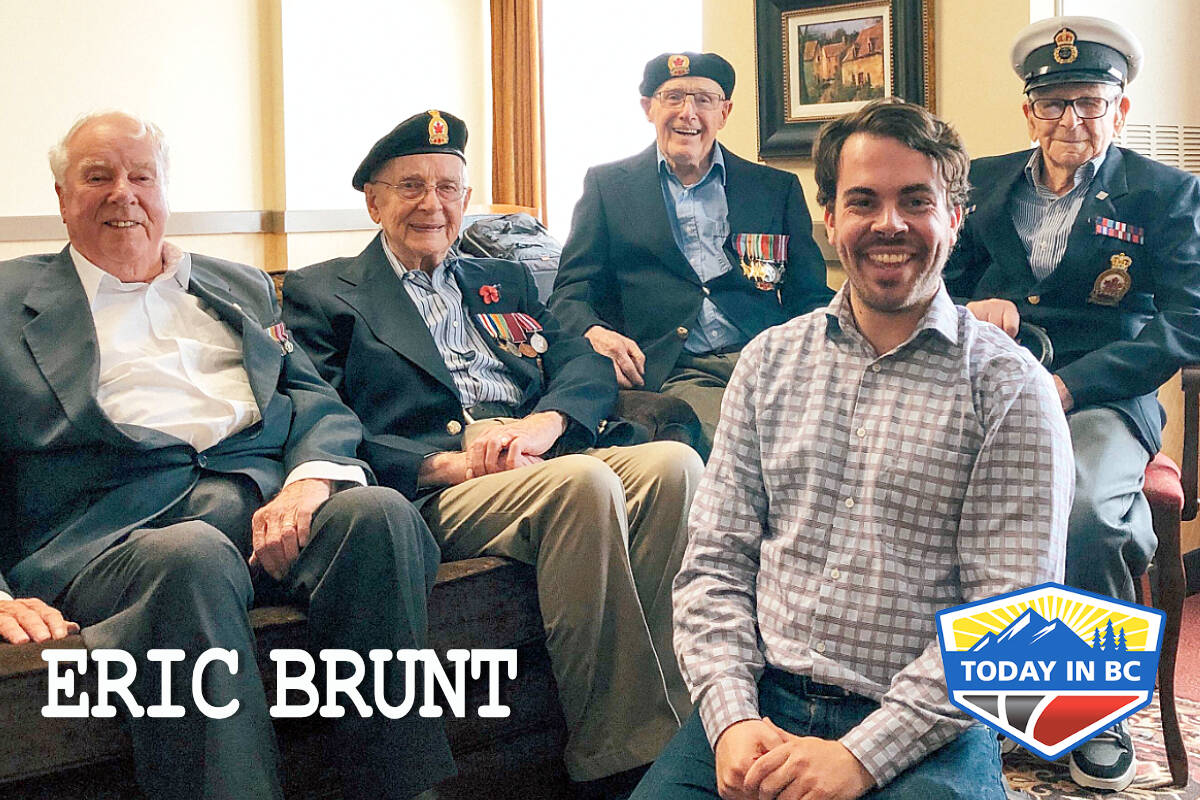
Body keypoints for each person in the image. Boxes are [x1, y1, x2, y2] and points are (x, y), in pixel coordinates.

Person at [0, 111, 454, 800]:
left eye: (142, 176)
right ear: (63, 197)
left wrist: (308, 483)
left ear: (165, 194)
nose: (124, 193)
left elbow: (316, 400)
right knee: (190, 553)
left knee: (378, 513)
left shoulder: (236, 285)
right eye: (98, 177)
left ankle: (400, 787)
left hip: (270, 510)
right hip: (118, 537)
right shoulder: (8, 302)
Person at [633, 99, 1074, 800]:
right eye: (862, 201)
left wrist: (862, 758)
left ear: (954, 219)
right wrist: (730, 717)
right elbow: (713, 566)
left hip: (929, 730)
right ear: (831, 220)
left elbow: (1012, 623)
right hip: (762, 709)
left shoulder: (1011, 388)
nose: (889, 224)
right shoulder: (768, 362)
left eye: (916, 200)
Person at [282, 110, 703, 797]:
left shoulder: (499, 279)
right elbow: (320, 416)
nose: (432, 203)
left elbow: (580, 359)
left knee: (673, 468)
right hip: (441, 484)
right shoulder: (323, 293)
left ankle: (687, 727)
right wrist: (448, 461)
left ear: (467, 200)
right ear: (374, 201)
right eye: (411, 185)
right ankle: (618, 759)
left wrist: (544, 422)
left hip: (535, 456)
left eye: (449, 187)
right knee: (584, 484)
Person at [943, 16, 1200, 790]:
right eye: (1053, 105)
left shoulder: (1164, 192)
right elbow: (936, 289)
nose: (1071, 122)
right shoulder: (977, 182)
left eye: (1089, 103)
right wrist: (975, 311)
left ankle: (1093, 712)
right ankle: (971, 701)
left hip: (1100, 394)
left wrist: (1071, 382)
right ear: (1028, 113)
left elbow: (1186, 321)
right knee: (918, 489)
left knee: (1085, 508)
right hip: (987, 388)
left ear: (1120, 109)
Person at [548, 51, 833, 458]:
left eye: (703, 99)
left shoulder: (775, 188)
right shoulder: (608, 187)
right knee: (754, 448)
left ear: (725, 111)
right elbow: (569, 294)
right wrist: (594, 332)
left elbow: (811, 296)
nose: (688, 113)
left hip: (769, 363)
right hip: (677, 369)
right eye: (673, 97)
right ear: (648, 108)